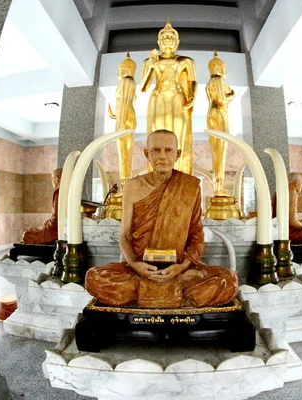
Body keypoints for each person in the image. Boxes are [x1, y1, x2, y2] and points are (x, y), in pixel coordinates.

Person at [85, 130, 237, 309]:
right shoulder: (133, 187)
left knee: (228, 280)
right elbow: (125, 236)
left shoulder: (190, 186)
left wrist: (182, 268)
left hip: (178, 269)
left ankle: (155, 292)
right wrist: (135, 265)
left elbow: (196, 236)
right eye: (156, 150)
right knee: (92, 277)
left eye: (168, 150)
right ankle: (175, 294)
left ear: (177, 154)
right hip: (140, 270)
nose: (162, 156)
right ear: (146, 154)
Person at [140, 21, 197, 175]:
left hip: (178, 97)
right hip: (158, 97)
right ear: (158, 42)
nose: (167, 39)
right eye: (164, 37)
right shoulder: (151, 60)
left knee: (178, 134)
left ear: (177, 42)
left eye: (171, 36)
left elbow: (192, 81)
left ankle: (179, 174)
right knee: (156, 135)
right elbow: (143, 87)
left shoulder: (185, 60)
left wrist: (191, 96)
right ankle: (157, 175)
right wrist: (152, 66)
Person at [206, 51, 235, 196]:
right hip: (219, 114)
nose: (225, 71)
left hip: (217, 114)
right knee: (220, 149)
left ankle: (219, 186)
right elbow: (221, 101)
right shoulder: (217, 81)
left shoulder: (214, 81)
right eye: (223, 68)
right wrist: (232, 96)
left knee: (219, 149)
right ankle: (218, 187)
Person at [108, 52, 137, 187]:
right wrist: (115, 115)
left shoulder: (126, 81)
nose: (117, 74)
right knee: (125, 147)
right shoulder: (129, 82)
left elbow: (125, 102)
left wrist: (119, 119)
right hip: (125, 115)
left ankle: (125, 181)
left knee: (123, 147)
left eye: (119, 70)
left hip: (125, 116)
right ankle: (125, 180)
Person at [22, 168, 62, 244]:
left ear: (57, 178)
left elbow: (56, 220)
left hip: (53, 233)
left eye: (52, 179)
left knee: (26, 234)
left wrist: (47, 225)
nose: (52, 182)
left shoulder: (58, 193)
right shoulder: (66, 191)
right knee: (32, 230)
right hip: (57, 230)